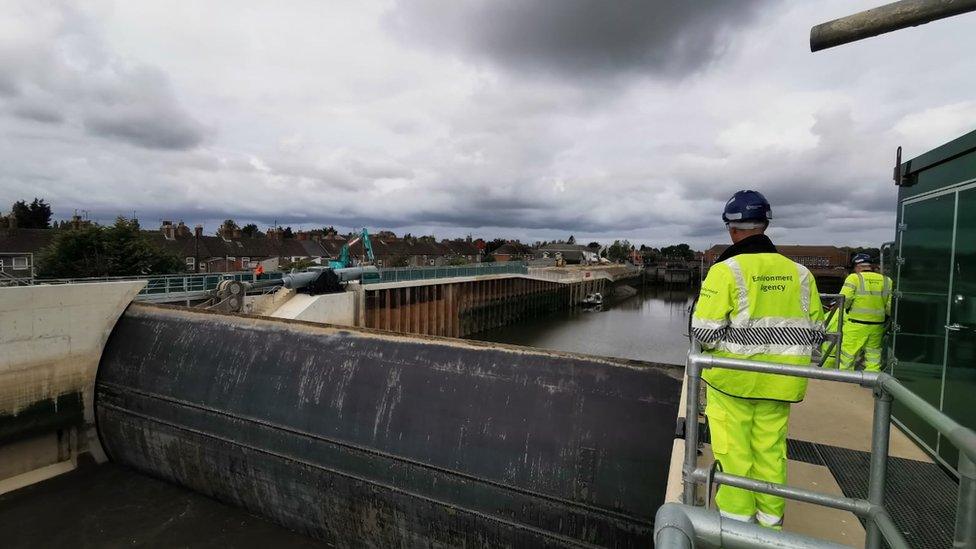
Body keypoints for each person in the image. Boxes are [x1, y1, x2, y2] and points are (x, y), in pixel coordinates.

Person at [691, 190, 824, 529]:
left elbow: (704, 331)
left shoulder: (725, 271)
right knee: (770, 454)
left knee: (734, 454)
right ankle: (770, 529)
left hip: (732, 382)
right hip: (781, 382)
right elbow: (818, 331)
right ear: (765, 225)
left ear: (731, 229)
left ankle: (735, 530)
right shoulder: (802, 274)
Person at [837, 253, 892, 372]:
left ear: (857, 266)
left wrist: (848, 309)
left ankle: (845, 380)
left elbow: (844, 300)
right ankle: (870, 379)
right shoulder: (887, 280)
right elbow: (889, 307)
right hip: (877, 326)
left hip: (856, 325)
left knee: (848, 355)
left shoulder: (854, 278)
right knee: (873, 355)